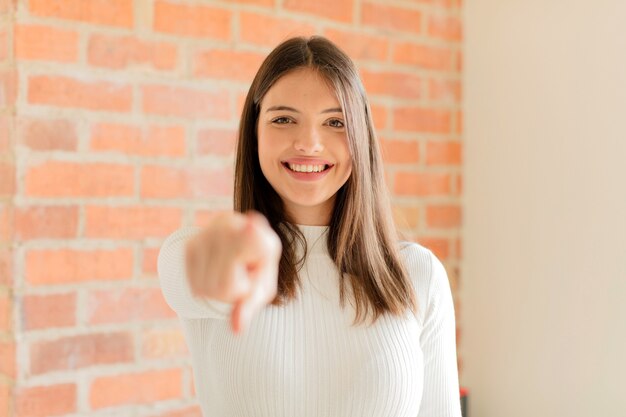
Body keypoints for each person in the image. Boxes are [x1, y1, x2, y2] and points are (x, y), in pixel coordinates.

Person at [158, 36, 462, 417]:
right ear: (255, 133)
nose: (309, 143)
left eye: (335, 122)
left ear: (360, 137)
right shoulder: (201, 254)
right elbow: (197, 273)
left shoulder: (419, 273)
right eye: (283, 119)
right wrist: (227, 267)